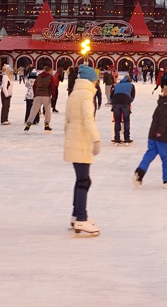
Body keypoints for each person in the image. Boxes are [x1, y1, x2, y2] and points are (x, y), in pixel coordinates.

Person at [64, 65, 100, 236]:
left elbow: (66, 121)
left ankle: (75, 215)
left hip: (74, 139)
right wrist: (96, 139)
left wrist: (69, 136)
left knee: (82, 180)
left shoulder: (74, 94)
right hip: (81, 140)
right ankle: (81, 218)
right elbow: (88, 119)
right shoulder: (86, 95)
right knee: (84, 181)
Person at [133, 85, 167, 189]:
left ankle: (139, 173)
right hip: (162, 136)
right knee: (166, 158)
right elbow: (164, 120)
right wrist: (162, 132)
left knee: (150, 154)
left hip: (153, 134)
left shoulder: (161, 104)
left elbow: (155, 118)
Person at [25, 65, 57, 132]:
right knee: (48, 111)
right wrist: (53, 97)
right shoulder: (50, 77)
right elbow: (52, 87)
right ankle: (46, 125)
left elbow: (34, 86)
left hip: (38, 95)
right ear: (49, 71)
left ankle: (28, 124)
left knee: (34, 110)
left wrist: (35, 94)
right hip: (46, 96)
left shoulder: (38, 76)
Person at [110, 74, 136, 144]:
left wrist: (113, 102)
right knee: (126, 120)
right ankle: (126, 138)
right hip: (125, 102)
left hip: (116, 102)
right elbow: (132, 96)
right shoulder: (131, 85)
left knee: (117, 120)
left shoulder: (117, 85)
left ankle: (117, 137)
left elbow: (111, 96)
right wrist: (128, 102)